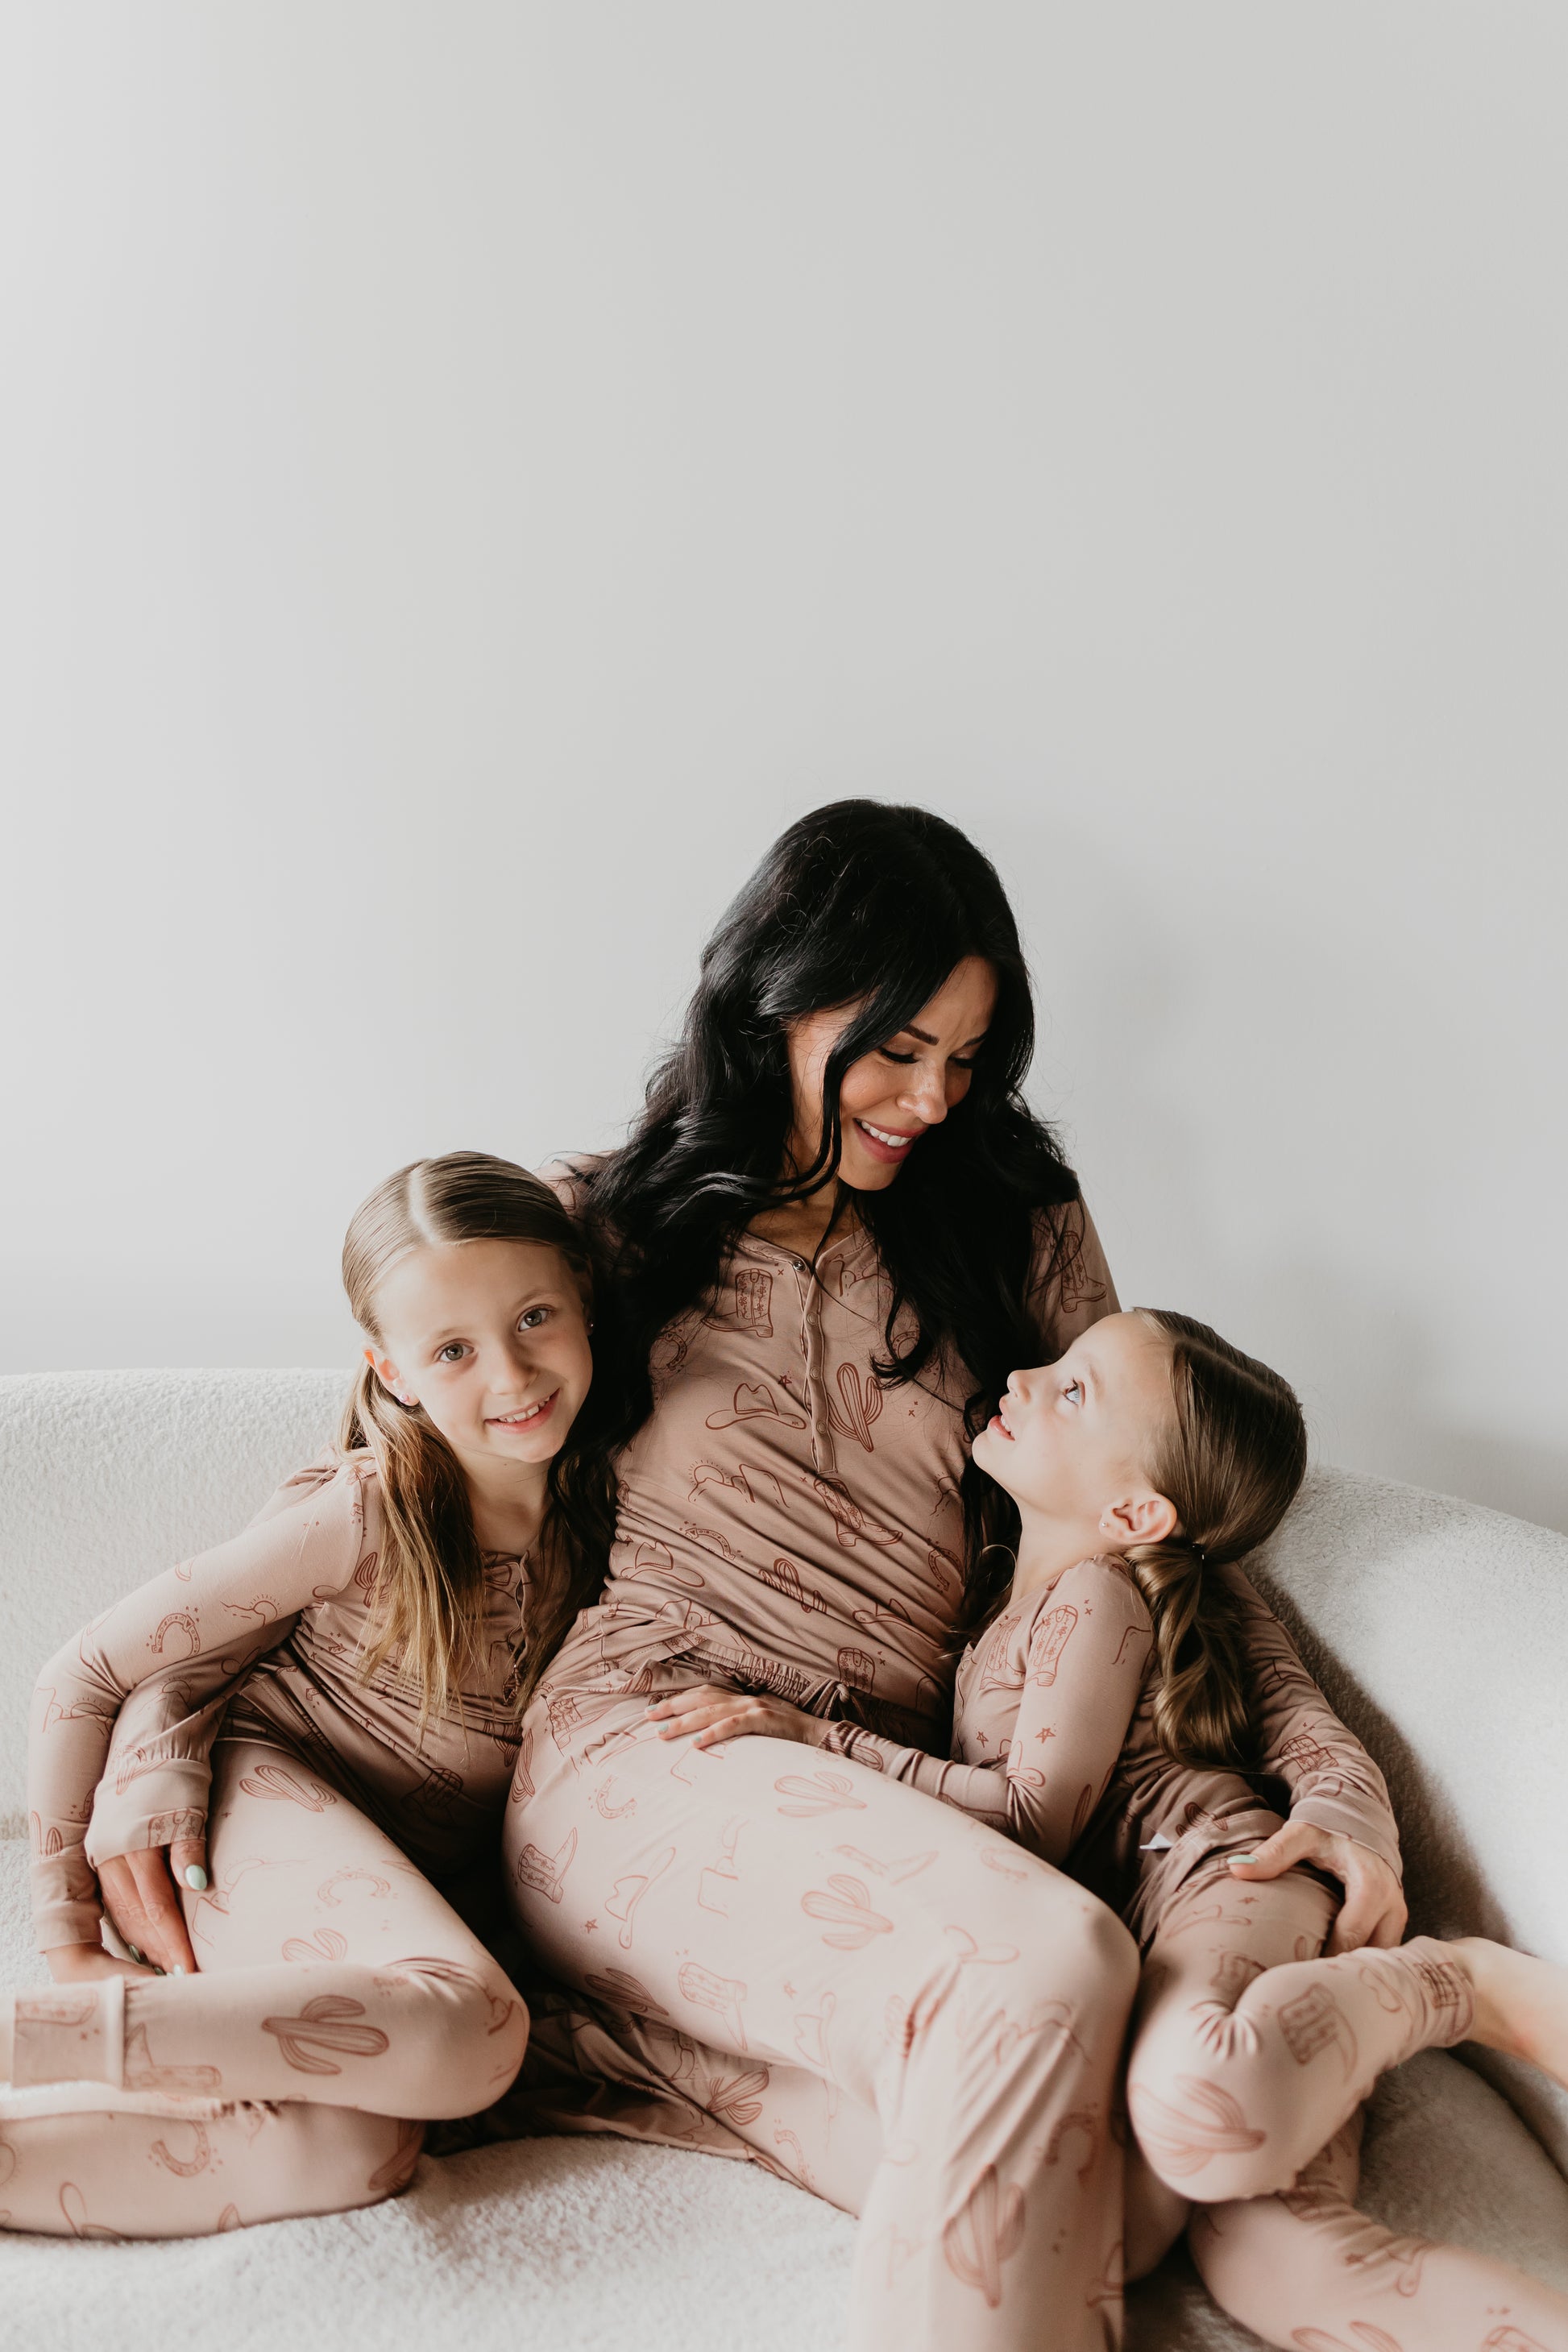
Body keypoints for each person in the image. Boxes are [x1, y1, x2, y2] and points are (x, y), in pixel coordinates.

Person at [499, 802, 1414, 2352]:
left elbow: (1160, 1526)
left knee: (1119, 2201)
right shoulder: (606, 1228)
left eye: (970, 1057)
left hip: (910, 1791)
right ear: (776, 994)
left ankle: (639, 2059)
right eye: (897, 1047)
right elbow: (397, 1476)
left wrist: (1338, 1781)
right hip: (656, 1741)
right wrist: (162, 1718)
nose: (933, 1097)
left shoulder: (1013, 1219)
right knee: (1057, 1951)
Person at [663, 1307, 1568, 2350]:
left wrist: (813, 1740)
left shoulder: (1097, 1594)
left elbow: (1032, 1820)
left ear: (1137, 1512)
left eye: (1076, 1390)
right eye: (1061, 1364)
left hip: (1225, 1885)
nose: (1031, 1377)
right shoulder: (1055, 1592)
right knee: (1261, 2257)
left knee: (1199, 2100)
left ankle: (1455, 1986)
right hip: (1158, 1938)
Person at [7, 1151, 612, 2238]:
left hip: (385, 1896)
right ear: (394, 1373)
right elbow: (84, 1669)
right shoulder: (366, 1514)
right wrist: (66, 1941)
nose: (512, 1378)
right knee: (473, 2029)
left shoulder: (618, 1516)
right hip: (258, 1809)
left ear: (585, 1305)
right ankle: (35, 2033)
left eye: (534, 1319)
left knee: (356, 2145)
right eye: (455, 1350)